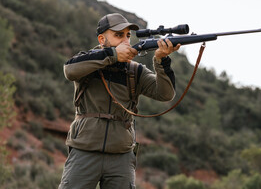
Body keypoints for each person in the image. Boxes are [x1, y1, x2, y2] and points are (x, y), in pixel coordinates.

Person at [58, 13, 180, 189]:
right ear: (102, 39)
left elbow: (165, 94)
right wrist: (113, 55)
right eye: (118, 35)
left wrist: (162, 60)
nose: (125, 40)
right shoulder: (89, 60)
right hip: (84, 150)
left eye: (128, 35)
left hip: (121, 156)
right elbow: (70, 70)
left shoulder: (135, 71)